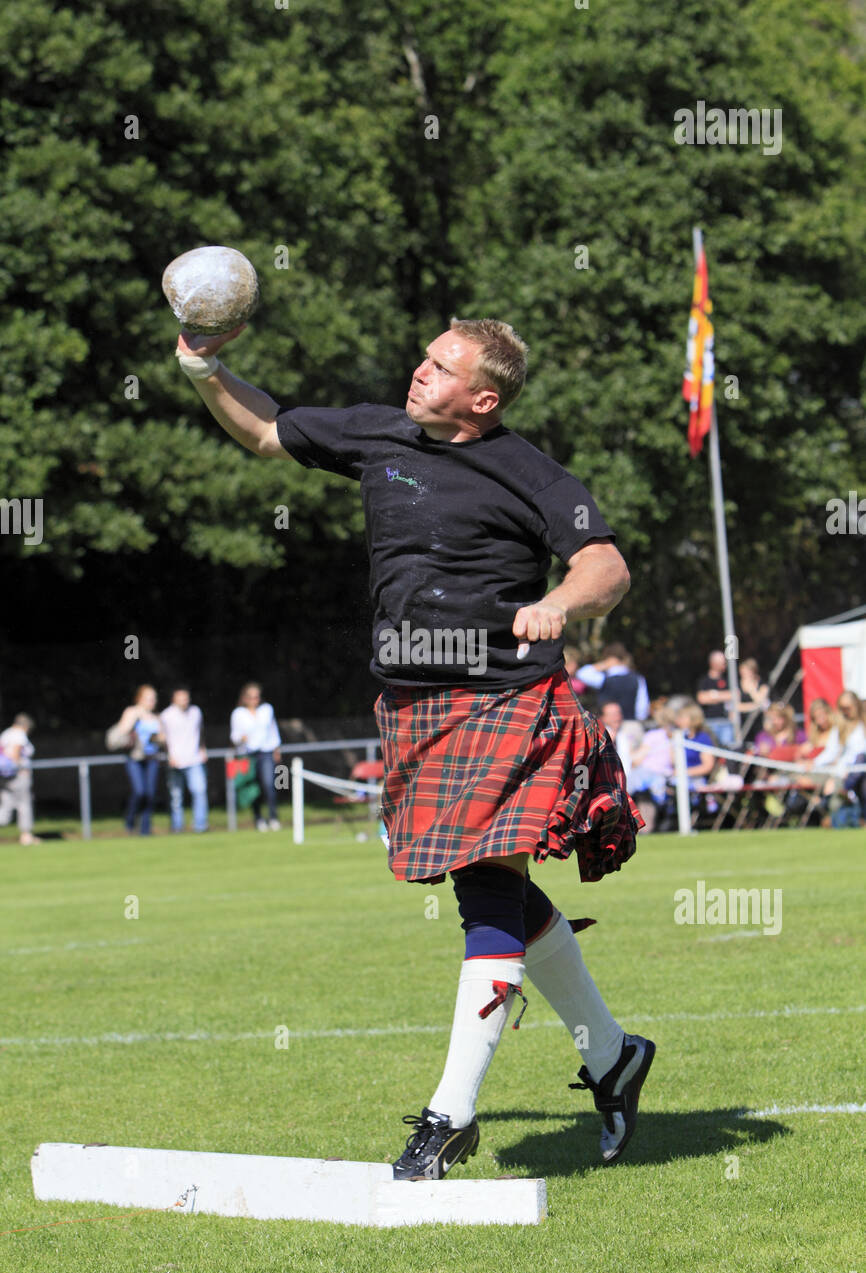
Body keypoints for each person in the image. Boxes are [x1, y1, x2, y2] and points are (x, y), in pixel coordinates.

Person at [175, 314, 652, 1178]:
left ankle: (450, 1114)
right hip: (413, 702)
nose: (418, 374)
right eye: (424, 359)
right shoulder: (378, 431)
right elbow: (266, 431)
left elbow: (606, 566)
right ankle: (614, 1055)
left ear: (483, 397)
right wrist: (203, 370)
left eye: (440, 368)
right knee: (490, 888)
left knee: (485, 901)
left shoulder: (529, 471)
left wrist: (561, 602)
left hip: (506, 695)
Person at [229, 683, 282, 831]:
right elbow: (234, 736)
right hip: (247, 754)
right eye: (251, 697)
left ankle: (273, 817)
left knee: (269, 784)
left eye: (256, 697)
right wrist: (241, 738)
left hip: (266, 752)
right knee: (253, 788)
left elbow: (273, 731)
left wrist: (277, 748)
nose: (254, 700)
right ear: (245, 698)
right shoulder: (238, 714)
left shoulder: (267, 710)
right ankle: (258, 818)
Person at [114, 685, 164, 835]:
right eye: (149, 698)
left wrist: (157, 739)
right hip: (135, 757)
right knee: (139, 791)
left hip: (151, 758)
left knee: (150, 793)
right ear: (140, 698)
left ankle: (145, 828)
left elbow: (162, 738)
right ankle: (130, 822)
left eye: (154, 698)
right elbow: (121, 732)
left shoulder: (156, 717)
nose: (153, 701)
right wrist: (134, 721)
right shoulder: (131, 712)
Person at [160, 687, 209, 833]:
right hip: (175, 761)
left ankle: (200, 825)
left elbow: (200, 732)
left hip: (194, 759)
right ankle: (177, 826)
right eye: (181, 698)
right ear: (174, 699)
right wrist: (169, 755)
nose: (184, 701)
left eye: (186, 697)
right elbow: (163, 739)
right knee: (176, 797)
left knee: (199, 791)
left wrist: (202, 748)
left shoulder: (195, 712)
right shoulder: (166, 715)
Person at [577, 643, 650, 721]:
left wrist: (604, 664)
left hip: (607, 725)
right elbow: (642, 707)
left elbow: (581, 673)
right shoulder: (638, 678)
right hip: (630, 723)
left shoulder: (603, 679)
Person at [0, 712, 40, 845]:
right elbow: (16, 752)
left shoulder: (6, 733)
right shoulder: (19, 734)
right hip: (17, 775)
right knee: (24, 804)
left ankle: (26, 835)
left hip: (4, 776)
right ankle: (26, 836)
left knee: (5, 809)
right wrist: (19, 768)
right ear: (25, 726)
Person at [696, 650, 735, 746]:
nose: (724, 665)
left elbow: (734, 695)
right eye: (722, 663)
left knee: (727, 751)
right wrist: (723, 696)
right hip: (709, 722)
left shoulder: (728, 680)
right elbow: (702, 698)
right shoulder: (704, 681)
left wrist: (713, 695)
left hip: (725, 722)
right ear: (713, 663)